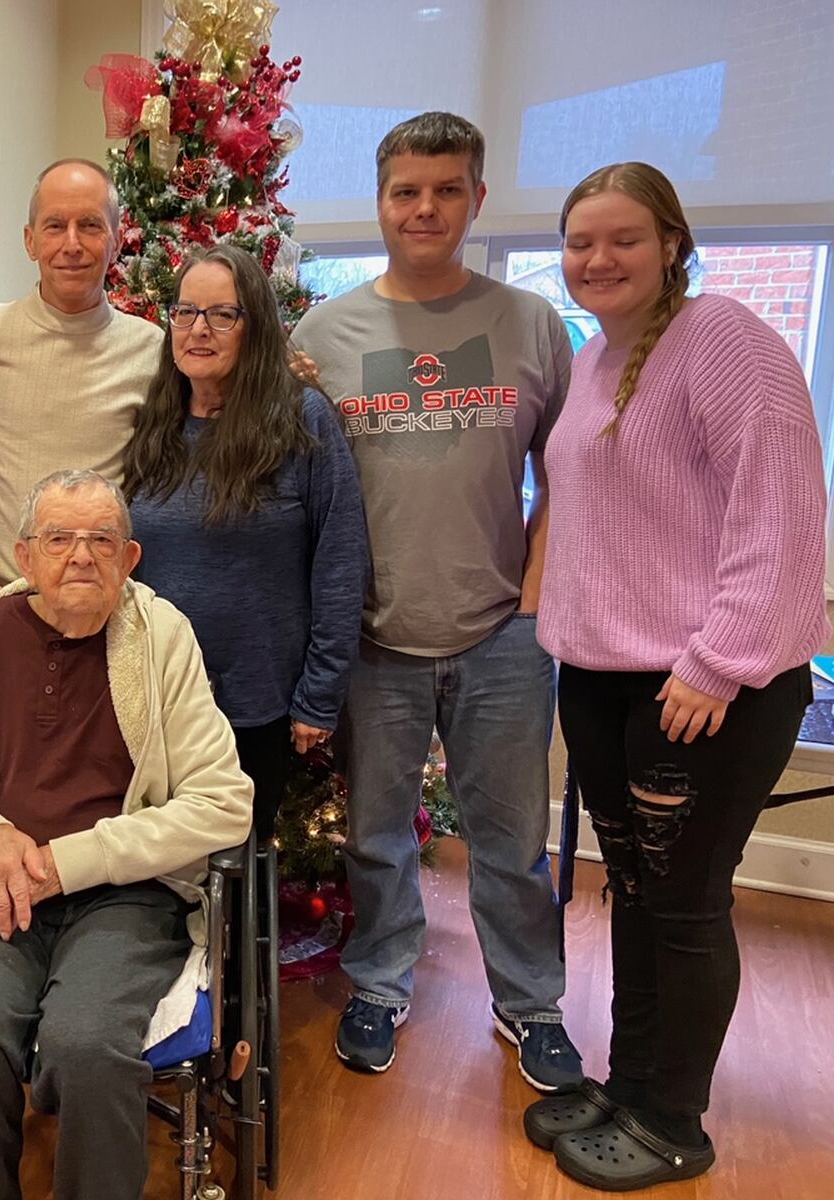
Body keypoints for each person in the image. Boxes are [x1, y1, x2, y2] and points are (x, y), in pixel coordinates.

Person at [529, 162, 828, 1191]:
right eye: (578, 243)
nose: (595, 260)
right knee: (636, 895)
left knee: (685, 902)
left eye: (620, 239)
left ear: (670, 243)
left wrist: (720, 659)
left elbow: (780, 514)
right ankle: (629, 1084)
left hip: (703, 686)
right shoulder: (596, 359)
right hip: (608, 679)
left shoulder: (726, 342)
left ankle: (674, 1121)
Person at [291, 111, 583, 1090]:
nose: (424, 208)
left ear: (477, 199)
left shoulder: (532, 325)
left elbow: (572, 474)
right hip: (374, 637)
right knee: (375, 838)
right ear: (378, 202)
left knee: (510, 845)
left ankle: (531, 1006)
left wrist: (536, 605)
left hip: (501, 630)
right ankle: (377, 985)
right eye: (405, 191)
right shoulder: (322, 336)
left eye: (445, 190)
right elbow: (296, 487)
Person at [0, 468, 253, 1200]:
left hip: (124, 895)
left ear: (129, 558)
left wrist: (71, 860)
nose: (80, 555)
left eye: (101, 540)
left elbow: (223, 803)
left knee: (87, 1046)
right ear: (25, 557)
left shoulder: (162, 635)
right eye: (59, 538)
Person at [125, 245, 367, 842]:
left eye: (222, 315)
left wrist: (320, 694)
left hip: (255, 700)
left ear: (254, 327)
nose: (199, 329)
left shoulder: (301, 420)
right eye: (185, 312)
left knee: (238, 863)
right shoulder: (155, 423)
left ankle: (239, 943)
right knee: (152, 859)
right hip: (153, 696)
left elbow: (339, 560)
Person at [0, 158, 164, 582]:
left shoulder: (152, 350)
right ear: (30, 241)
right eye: (54, 226)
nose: (72, 244)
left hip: (100, 597)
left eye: (90, 225)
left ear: (117, 240)